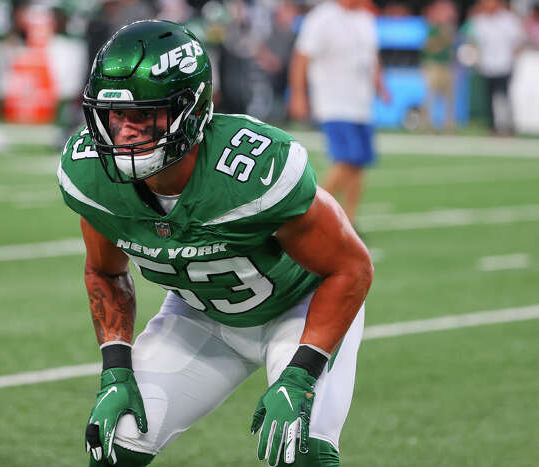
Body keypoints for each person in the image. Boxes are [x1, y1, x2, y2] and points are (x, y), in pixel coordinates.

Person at [58, 20, 372, 467]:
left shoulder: (252, 172)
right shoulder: (92, 177)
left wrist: (300, 375)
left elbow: (351, 268)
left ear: (190, 109)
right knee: (114, 443)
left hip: (299, 310)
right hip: (201, 316)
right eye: (115, 116)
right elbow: (105, 271)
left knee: (299, 449)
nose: (124, 133)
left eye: (144, 115)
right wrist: (114, 369)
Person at [288, 0, 388, 227]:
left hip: (362, 103)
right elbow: (301, 57)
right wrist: (298, 94)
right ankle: (308, 213)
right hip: (334, 101)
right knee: (346, 159)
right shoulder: (322, 18)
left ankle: (349, 222)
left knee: (359, 163)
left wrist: (380, 84)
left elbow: (372, 56)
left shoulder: (365, 17)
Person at [468, 0, 525, 134]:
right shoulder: (479, 20)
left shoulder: (508, 19)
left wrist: (513, 56)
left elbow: (519, 39)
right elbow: (473, 41)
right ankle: (492, 127)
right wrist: (476, 58)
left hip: (504, 64)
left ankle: (509, 126)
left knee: (505, 97)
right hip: (487, 65)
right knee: (488, 98)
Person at [422, 0, 458, 132]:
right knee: (430, 96)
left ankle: (449, 125)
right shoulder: (433, 28)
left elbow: (451, 48)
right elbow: (430, 47)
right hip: (434, 65)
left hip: (446, 65)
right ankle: (427, 124)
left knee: (449, 97)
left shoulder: (449, 29)